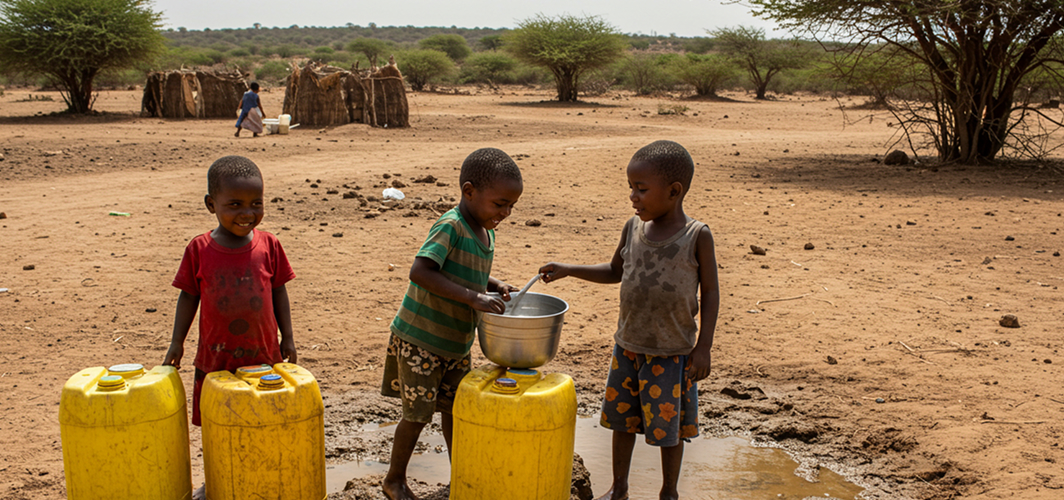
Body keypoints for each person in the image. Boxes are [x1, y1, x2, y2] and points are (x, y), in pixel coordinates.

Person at [538, 140, 720, 500]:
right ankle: (618, 488)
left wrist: (704, 349)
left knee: (671, 430)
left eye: (641, 189)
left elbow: (710, 293)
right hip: (628, 348)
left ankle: (669, 492)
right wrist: (568, 269)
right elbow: (614, 271)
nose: (633, 197)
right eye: (631, 189)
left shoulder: (696, 236)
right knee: (621, 423)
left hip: (671, 353)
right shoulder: (632, 229)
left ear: (674, 191)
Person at [380, 147, 523, 500]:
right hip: (422, 339)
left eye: (511, 207)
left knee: (455, 410)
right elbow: (422, 272)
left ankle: (463, 472)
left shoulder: (486, 232)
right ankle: (394, 480)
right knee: (417, 414)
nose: (504, 213)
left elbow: (470, 273)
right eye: (499, 204)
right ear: (469, 191)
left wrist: (495, 284)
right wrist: (475, 299)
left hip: (456, 342)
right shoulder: (451, 226)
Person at [163, 154, 296, 430]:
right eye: (235, 205)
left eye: (256, 204)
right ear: (211, 205)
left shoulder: (269, 245)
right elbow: (188, 296)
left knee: (264, 418)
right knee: (220, 421)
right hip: (217, 358)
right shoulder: (199, 250)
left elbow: (279, 291)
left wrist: (289, 338)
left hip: (263, 354)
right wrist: (177, 341)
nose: (247, 213)